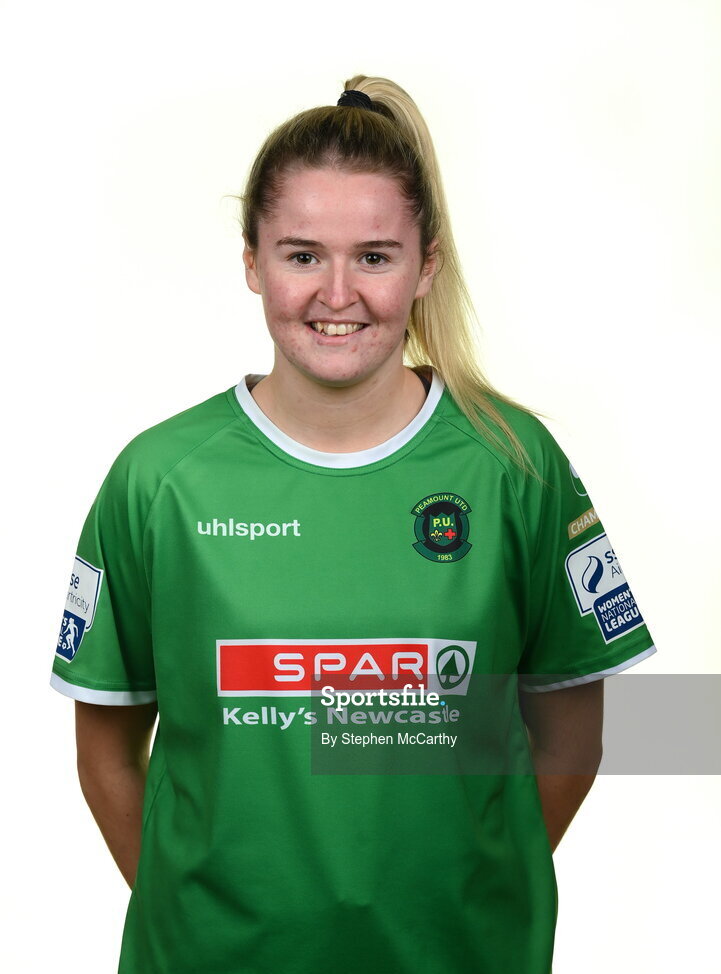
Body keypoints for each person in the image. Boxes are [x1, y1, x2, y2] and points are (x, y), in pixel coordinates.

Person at [50, 75, 657, 974]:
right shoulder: (159, 480)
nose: (338, 294)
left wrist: (463, 894)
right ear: (252, 260)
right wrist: (203, 922)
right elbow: (105, 751)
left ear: (427, 264)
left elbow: (572, 736)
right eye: (302, 255)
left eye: (374, 256)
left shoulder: (513, 465)